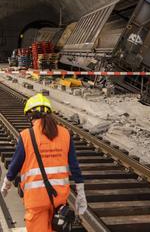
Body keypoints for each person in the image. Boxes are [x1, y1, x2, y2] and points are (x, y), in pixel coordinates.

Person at [1, 93, 87, 232]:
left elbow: (15, 165)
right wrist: (81, 193)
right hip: (58, 200)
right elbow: (74, 166)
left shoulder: (26, 135)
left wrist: (6, 185)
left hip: (36, 200)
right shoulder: (65, 134)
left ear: (30, 116)